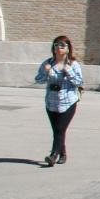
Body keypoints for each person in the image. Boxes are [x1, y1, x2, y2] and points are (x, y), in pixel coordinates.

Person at [34, 35, 84, 167]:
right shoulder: (48, 63)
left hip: (68, 102)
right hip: (51, 102)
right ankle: (63, 153)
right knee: (57, 130)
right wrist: (45, 73)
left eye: (62, 45)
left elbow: (79, 82)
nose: (59, 48)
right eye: (56, 45)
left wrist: (69, 72)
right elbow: (38, 80)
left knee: (60, 129)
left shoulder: (73, 64)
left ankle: (53, 155)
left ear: (68, 49)